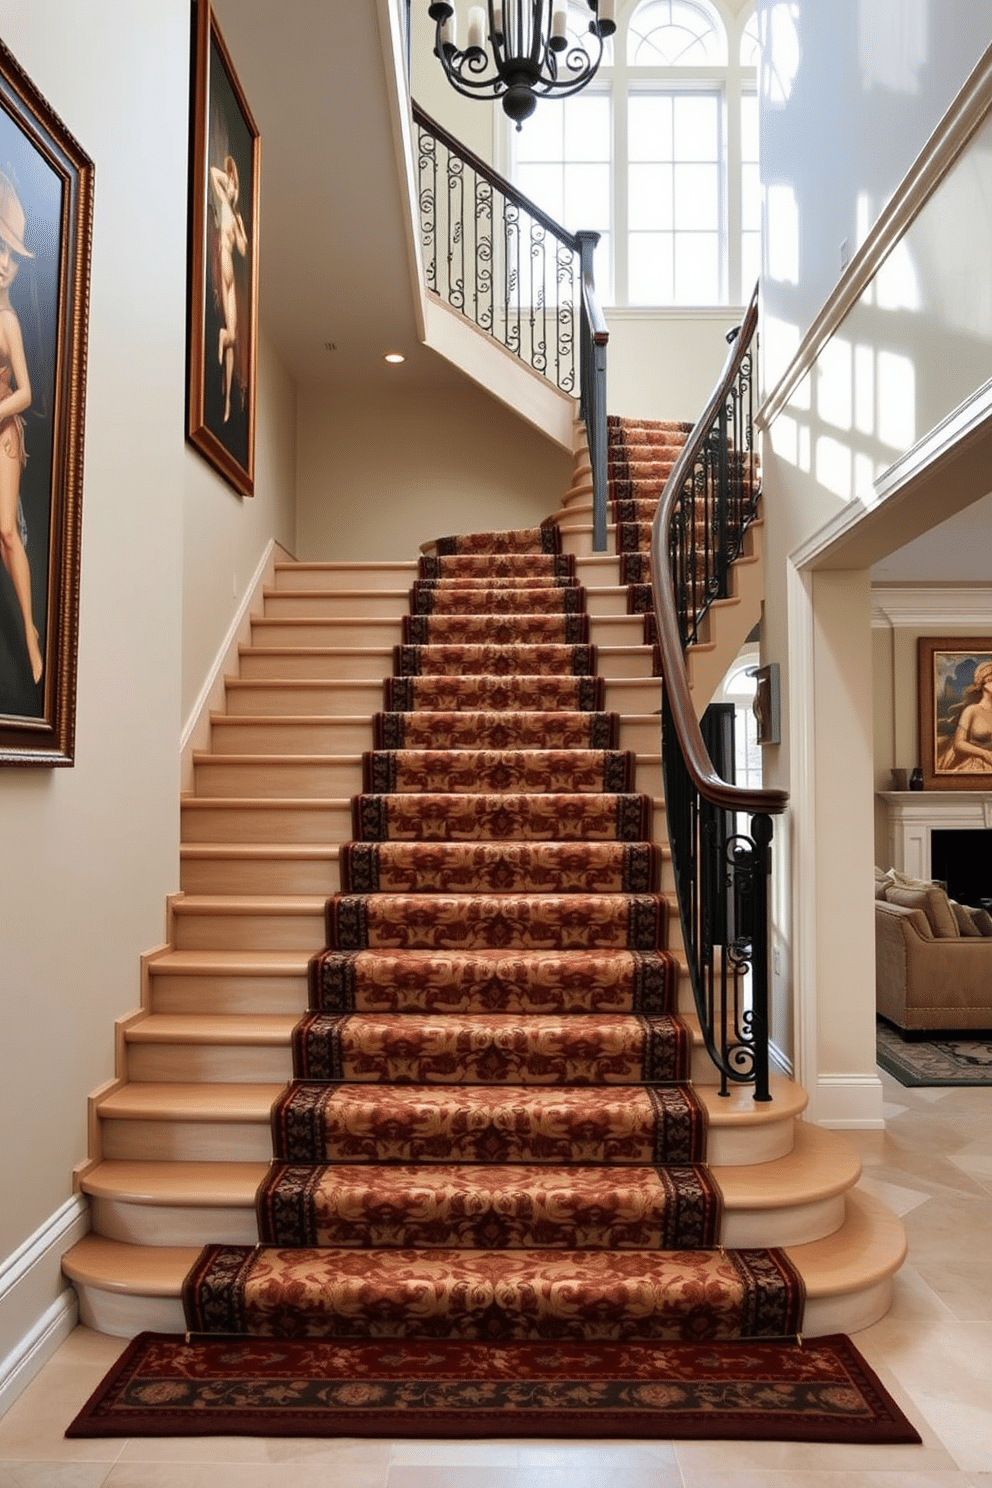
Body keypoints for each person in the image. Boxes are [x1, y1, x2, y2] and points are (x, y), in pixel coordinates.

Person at [0, 170, 42, 687]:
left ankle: (30, 633)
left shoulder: (9, 321)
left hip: (5, 433)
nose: (7, 264)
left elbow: (27, 392)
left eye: (13, 256)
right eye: (0, 251)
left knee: (8, 532)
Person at [209, 154, 248, 424]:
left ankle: (227, 402)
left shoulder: (236, 216)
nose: (232, 186)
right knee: (230, 333)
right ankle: (222, 337)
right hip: (223, 259)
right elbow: (212, 172)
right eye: (230, 181)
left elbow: (244, 251)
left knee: (233, 335)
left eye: (235, 182)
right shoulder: (222, 202)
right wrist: (228, 178)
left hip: (232, 269)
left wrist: (242, 232)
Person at [936, 660, 992, 773]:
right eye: (991, 680)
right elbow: (958, 743)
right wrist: (985, 753)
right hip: (975, 765)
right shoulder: (971, 711)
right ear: (982, 684)